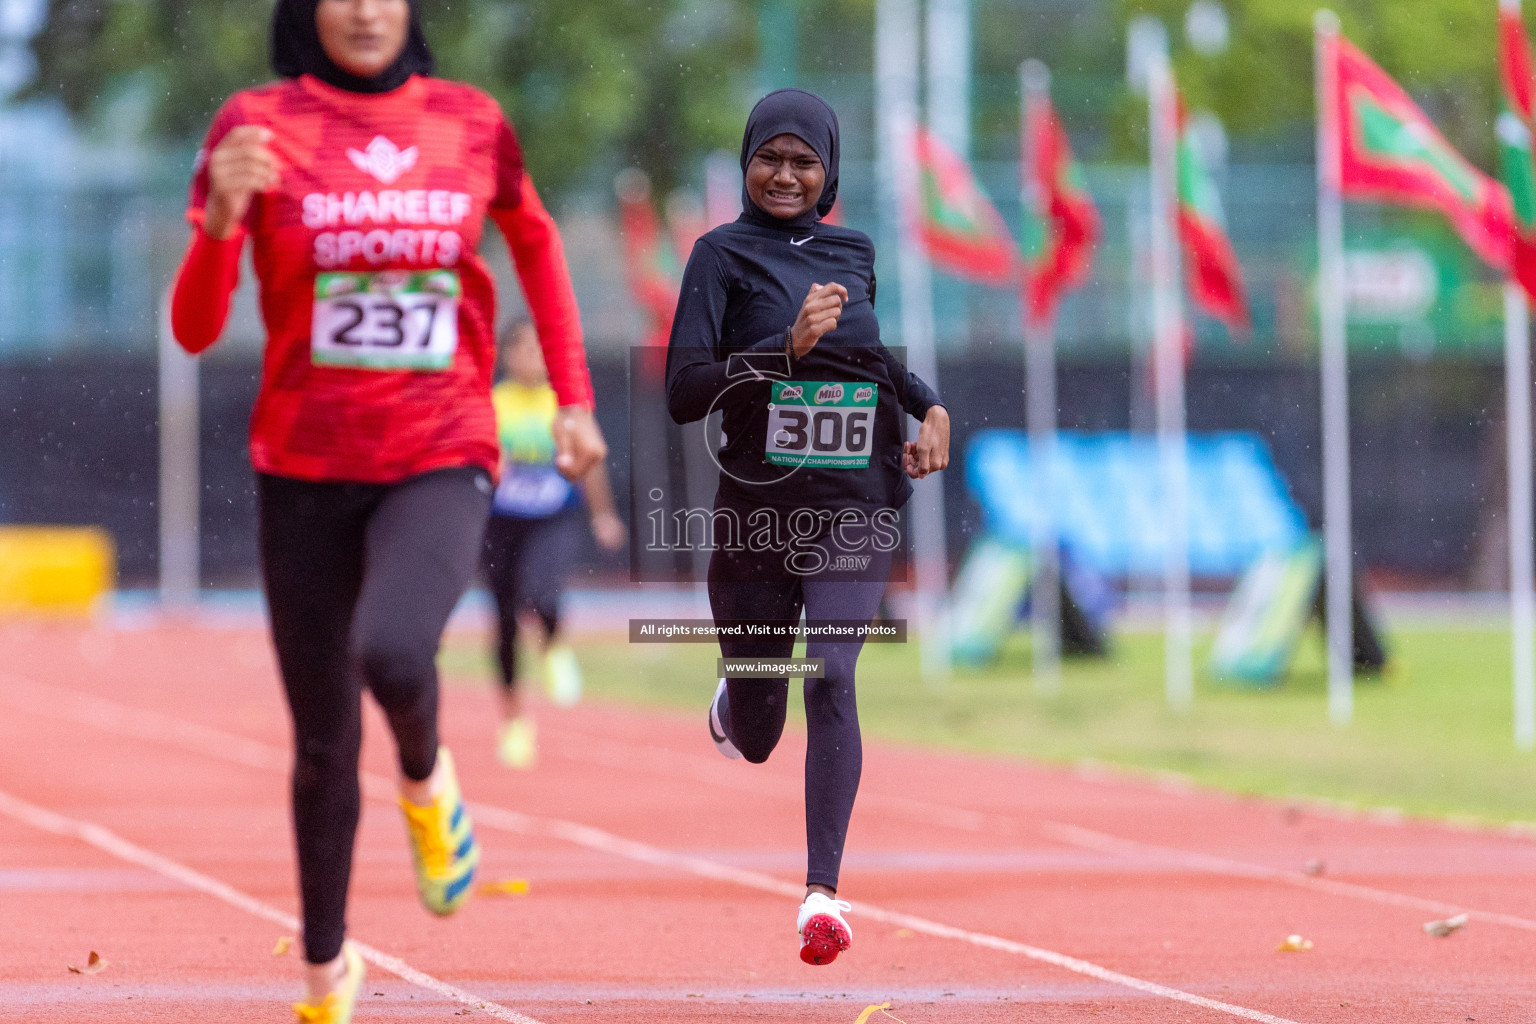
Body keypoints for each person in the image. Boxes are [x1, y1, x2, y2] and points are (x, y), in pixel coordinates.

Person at [167, 1, 605, 1020]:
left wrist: (574, 399)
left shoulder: (470, 122)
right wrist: (223, 222)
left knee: (397, 652)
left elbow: (536, 246)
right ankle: (326, 979)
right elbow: (194, 327)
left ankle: (425, 776)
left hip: (440, 448)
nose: (364, 9)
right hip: (304, 465)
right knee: (320, 744)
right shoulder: (253, 127)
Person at [665, 89, 950, 966]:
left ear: (830, 170)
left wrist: (930, 407)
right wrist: (779, 352)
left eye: (804, 161)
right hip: (755, 514)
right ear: (747, 160)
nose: (785, 175)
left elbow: (861, 355)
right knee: (758, 733)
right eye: (769, 158)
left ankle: (821, 893)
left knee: (830, 673)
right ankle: (733, 701)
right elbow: (682, 392)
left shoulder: (852, 251)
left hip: (850, 505)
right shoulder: (718, 257)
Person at [482, 318, 626, 769]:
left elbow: (592, 461)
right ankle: (514, 720)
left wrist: (603, 515)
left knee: (542, 591)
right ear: (507, 355)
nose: (535, 358)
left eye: (541, 349)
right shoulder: (493, 403)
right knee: (504, 619)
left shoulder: (564, 405)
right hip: (499, 524)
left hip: (552, 518)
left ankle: (554, 643)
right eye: (525, 349)